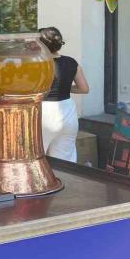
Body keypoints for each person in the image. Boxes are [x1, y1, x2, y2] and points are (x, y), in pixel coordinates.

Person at [39, 27, 90, 163]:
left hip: (43, 113)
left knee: (37, 162)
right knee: (65, 163)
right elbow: (84, 89)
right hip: (68, 113)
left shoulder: (38, 64)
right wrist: (65, 87)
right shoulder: (71, 62)